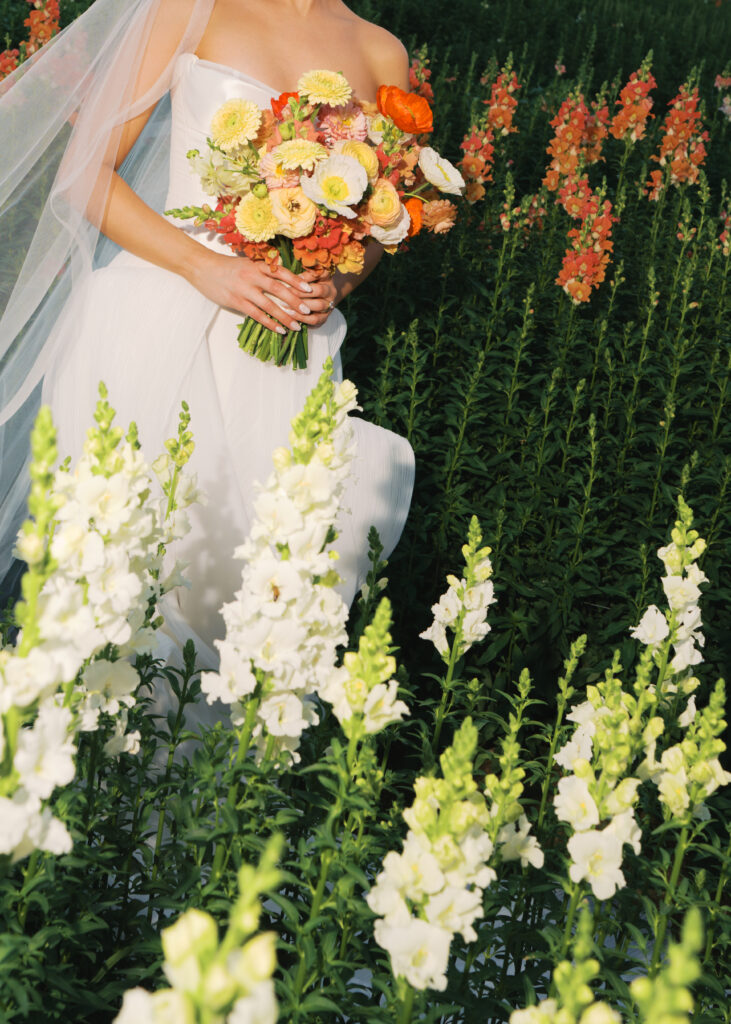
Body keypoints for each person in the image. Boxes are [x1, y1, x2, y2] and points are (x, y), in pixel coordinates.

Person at [0, 0, 415, 667]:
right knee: (127, 585)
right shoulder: (190, 9)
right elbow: (85, 175)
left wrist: (335, 284)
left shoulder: (382, 52)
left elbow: (384, 220)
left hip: (285, 353)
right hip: (155, 324)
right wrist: (205, 267)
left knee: (263, 595)